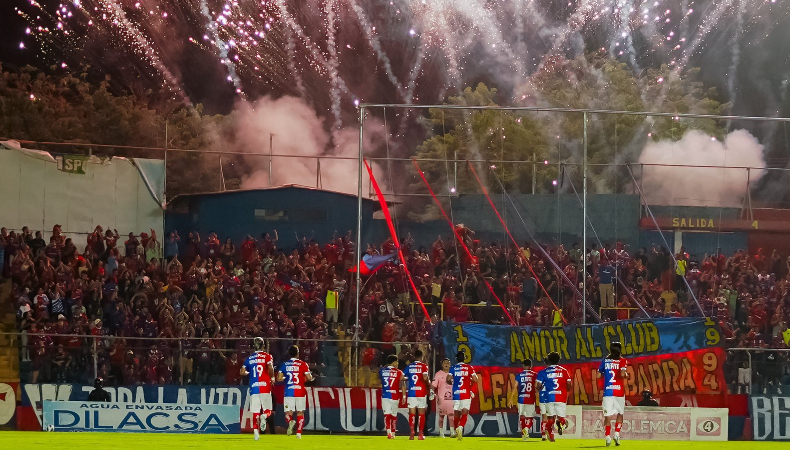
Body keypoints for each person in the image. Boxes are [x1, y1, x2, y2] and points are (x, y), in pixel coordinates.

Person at [240, 337, 275, 441]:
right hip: (265, 386)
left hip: (254, 387)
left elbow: (242, 372)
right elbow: (270, 367)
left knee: (255, 412)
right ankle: (264, 416)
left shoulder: (250, 358)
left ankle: (256, 434)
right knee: (268, 410)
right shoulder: (267, 356)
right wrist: (272, 377)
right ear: (263, 346)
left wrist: (248, 373)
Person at [277, 345, 314, 439]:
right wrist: (308, 377)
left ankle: (290, 422)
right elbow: (310, 378)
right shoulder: (303, 364)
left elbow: (279, 378)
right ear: (298, 353)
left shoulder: (284, 364)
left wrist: (287, 378)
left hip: (289, 391)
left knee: (288, 413)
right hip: (300, 391)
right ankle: (298, 434)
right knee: (300, 412)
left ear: (289, 354)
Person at [535, 351, 571, 442]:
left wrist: (541, 387)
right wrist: (565, 390)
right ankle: (561, 423)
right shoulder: (564, 371)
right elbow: (569, 384)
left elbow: (537, 386)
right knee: (561, 418)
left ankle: (549, 434)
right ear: (559, 360)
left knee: (550, 419)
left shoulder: (543, 372)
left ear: (549, 360)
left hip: (548, 397)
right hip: (561, 397)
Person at [598, 341, 628, 447]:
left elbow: (598, 376)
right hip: (619, 391)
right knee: (620, 413)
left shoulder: (605, 361)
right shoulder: (623, 361)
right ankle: (616, 434)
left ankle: (607, 437)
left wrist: (604, 373)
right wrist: (626, 375)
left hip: (608, 392)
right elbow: (622, 374)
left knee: (608, 415)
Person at [447, 350, 478, 441]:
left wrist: (452, 382)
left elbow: (448, 379)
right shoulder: (469, 367)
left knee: (456, 413)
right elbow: (476, 379)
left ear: (456, 359)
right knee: (465, 412)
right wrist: (470, 381)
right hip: (466, 393)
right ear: (464, 358)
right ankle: (460, 427)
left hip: (456, 393)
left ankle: (456, 431)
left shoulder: (453, 368)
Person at [405, 349, 430, 440]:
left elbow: (403, 377)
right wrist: (428, 383)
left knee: (412, 413)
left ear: (414, 357)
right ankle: (420, 434)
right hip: (421, 392)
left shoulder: (409, 366)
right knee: (421, 414)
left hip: (412, 392)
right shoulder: (424, 366)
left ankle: (412, 432)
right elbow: (424, 377)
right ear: (422, 357)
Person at [380, 354, 405, 439]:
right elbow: (403, 382)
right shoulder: (399, 372)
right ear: (394, 362)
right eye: (397, 361)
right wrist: (404, 396)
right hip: (395, 396)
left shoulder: (382, 371)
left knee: (387, 414)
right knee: (394, 415)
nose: (397, 363)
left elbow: (380, 374)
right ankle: (393, 433)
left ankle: (389, 432)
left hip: (385, 395)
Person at [431, 358, 454, 438]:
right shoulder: (438, 374)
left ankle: (452, 432)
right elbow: (433, 385)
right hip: (441, 398)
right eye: (445, 363)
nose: (446, 364)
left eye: (448, 363)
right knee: (441, 416)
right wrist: (431, 392)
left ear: (450, 364)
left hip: (451, 399)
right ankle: (441, 433)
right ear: (442, 365)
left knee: (451, 416)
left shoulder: (453, 374)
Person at [516, 359, 538, 441]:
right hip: (531, 398)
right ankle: (527, 429)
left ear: (526, 366)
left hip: (521, 398)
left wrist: (511, 399)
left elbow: (514, 387)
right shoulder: (535, 375)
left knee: (521, 416)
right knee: (530, 417)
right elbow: (537, 387)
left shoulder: (519, 375)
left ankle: (523, 434)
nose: (522, 366)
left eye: (523, 365)